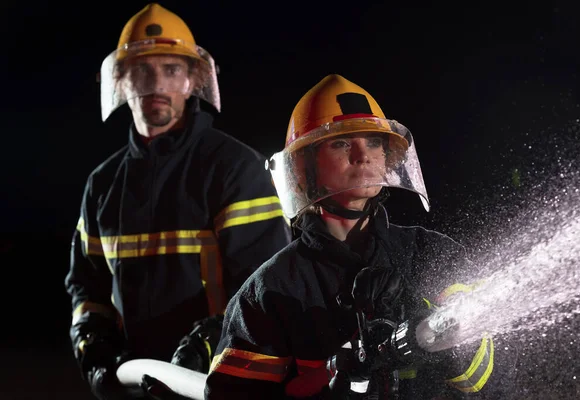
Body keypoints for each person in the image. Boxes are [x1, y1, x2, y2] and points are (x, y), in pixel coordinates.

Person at [203, 74, 498, 399]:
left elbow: (486, 379)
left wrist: (423, 317)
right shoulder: (270, 292)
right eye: (341, 143)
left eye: (373, 141)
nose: (363, 155)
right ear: (303, 167)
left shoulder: (432, 253)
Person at [65, 3, 291, 399]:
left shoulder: (236, 168)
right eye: (142, 70)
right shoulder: (102, 185)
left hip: (215, 381)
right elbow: (88, 288)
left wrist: (209, 343)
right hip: (133, 383)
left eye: (171, 70)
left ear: (192, 81)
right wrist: (94, 348)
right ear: (122, 81)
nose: (157, 84)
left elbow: (266, 289)